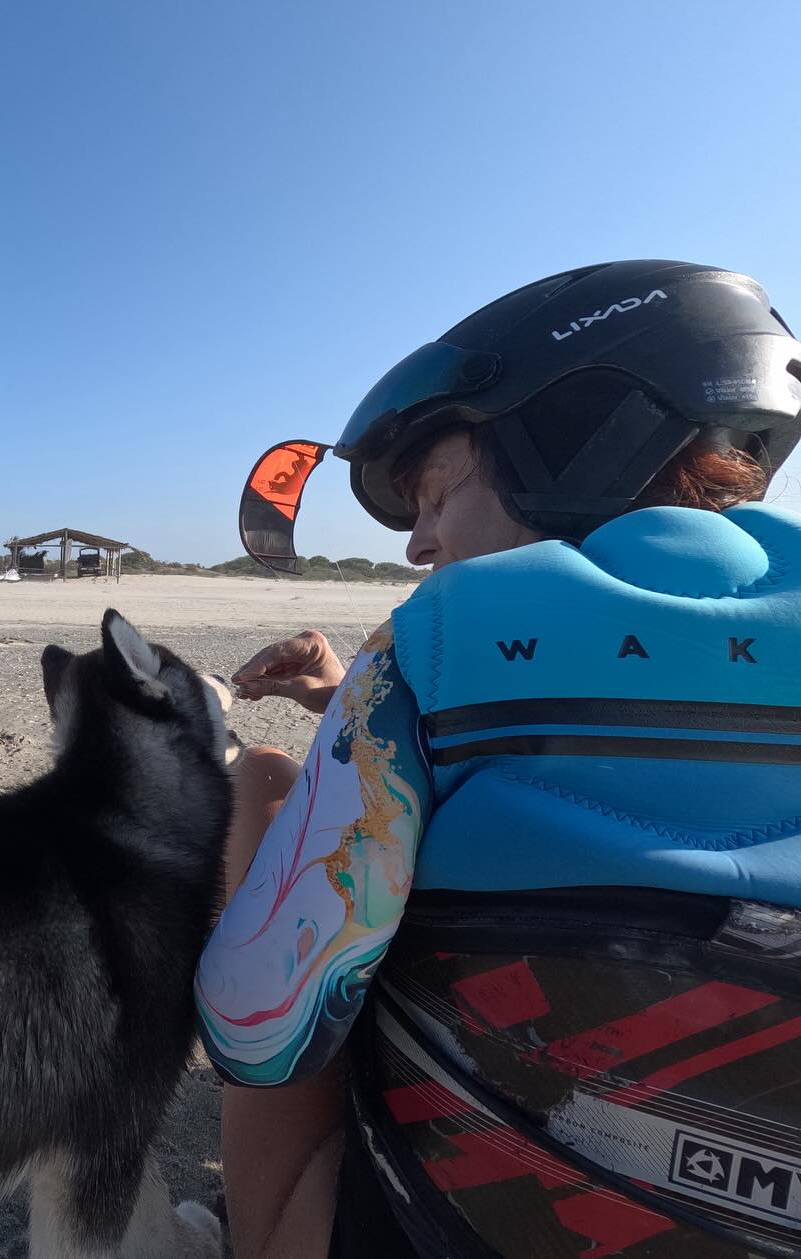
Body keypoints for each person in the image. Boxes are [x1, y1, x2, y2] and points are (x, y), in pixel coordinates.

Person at [196, 260, 801, 1258]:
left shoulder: (436, 639)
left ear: (561, 441)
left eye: (432, 495)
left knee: (260, 782)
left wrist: (371, 704)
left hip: (459, 1228)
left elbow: (263, 1029)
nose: (418, 547)